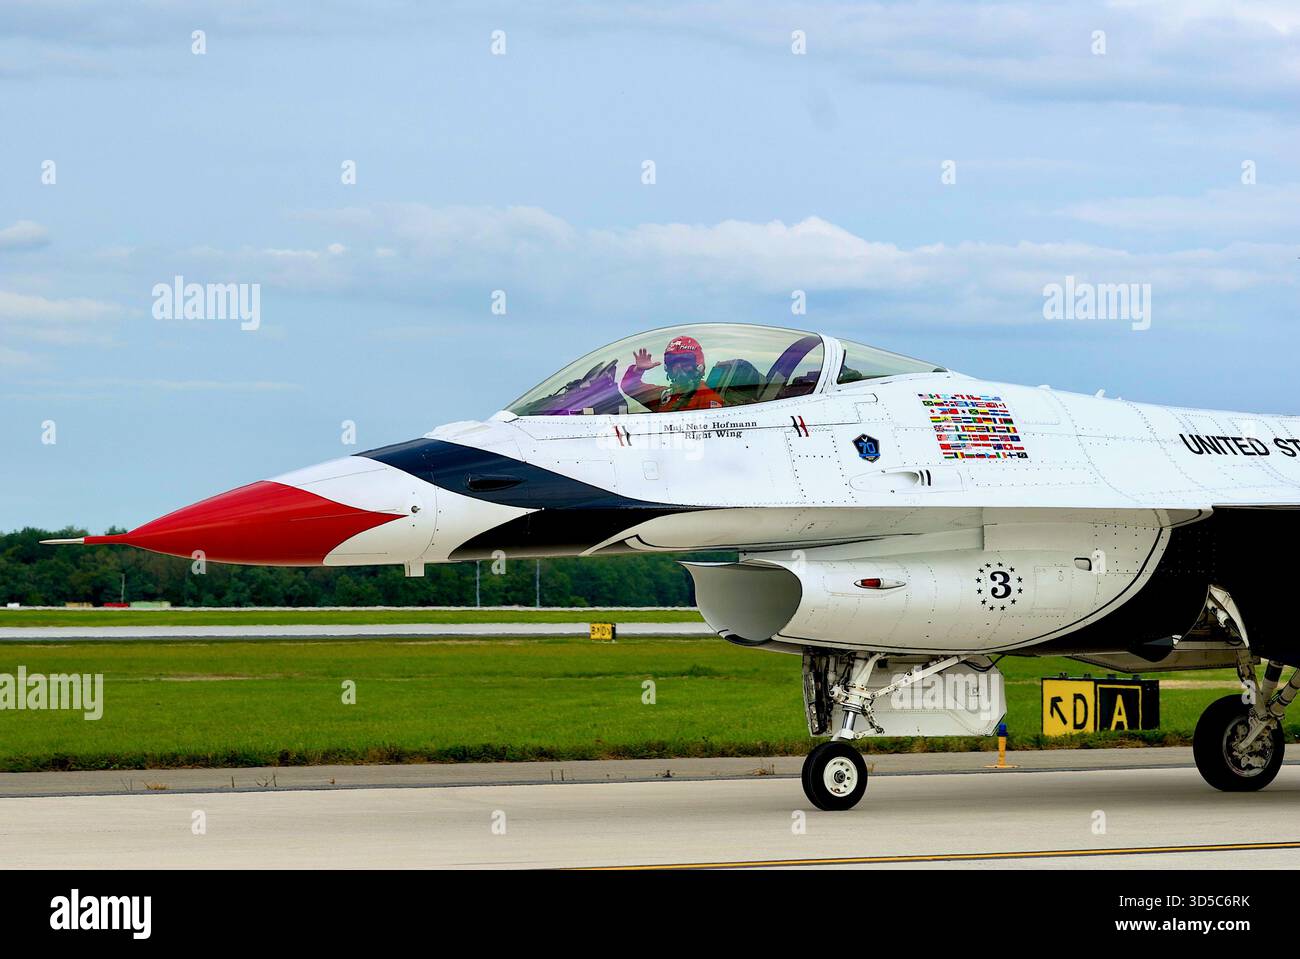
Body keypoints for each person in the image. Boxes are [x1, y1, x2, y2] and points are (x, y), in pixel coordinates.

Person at [620, 334, 724, 412]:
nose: (678, 368)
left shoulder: (707, 396)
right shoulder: (667, 395)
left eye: (685, 362)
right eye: (673, 363)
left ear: (698, 365)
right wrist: (638, 370)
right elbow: (629, 387)